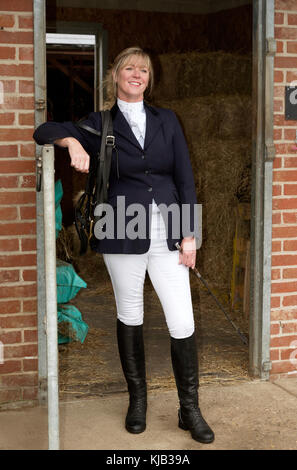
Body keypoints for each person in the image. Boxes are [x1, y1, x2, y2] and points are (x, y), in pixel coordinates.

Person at [33, 46, 214, 444]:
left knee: (182, 319)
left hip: (168, 232)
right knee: (129, 313)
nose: (137, 74)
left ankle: (190, 408)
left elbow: (185, 178)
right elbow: (42, 131)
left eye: (143, 70)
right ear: (114, 76)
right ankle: (137, 403)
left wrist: (190, 235)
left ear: (150, 79)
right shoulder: (99, 123)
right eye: (129, 68)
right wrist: (73, 143)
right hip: (120, 228)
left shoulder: (168, 120)